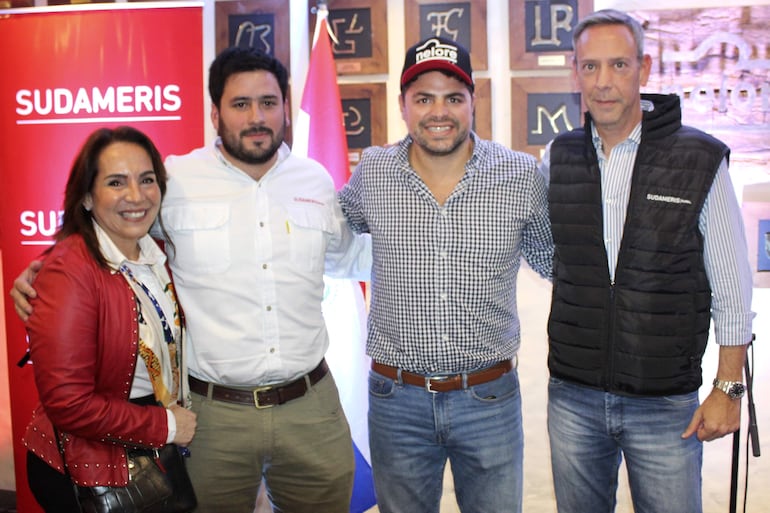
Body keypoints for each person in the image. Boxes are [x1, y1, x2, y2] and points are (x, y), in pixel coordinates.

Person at [12, 47, 371, 513]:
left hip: (310, 405)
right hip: (211, 414)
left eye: (268, 102)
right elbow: (113, 229)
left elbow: (347, 257)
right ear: (215, 113)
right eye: (240, 104)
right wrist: (43, 266)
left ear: (285, 106)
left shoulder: (316, 180)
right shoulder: (176, 179)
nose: (256, 116)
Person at [540, 9, 755, 513]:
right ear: (575, 73)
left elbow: (731, 286)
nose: (604, 82)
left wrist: (727, 386)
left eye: (618, 65)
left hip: (665, 404)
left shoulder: (699, 159)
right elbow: (556, 257)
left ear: (645, 67)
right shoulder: (559, 157)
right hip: (573, 400)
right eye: (590, 67)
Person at [337, 36, 553, 513]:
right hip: (396, 401)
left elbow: (557, 262)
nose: (440, 112)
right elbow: (327, 238)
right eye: (424, 98)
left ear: (473, 101)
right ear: (403, 105)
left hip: (489, 398)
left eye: (454, 98)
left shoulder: (520, 175)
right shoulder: (373, 172)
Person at [21, 126, 197, 512]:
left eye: (147, 179)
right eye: (116, 182)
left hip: (147, 443)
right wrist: (165, 426)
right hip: (93, 466)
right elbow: (68, 402)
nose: (136, 196)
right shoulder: (68, 271)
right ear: (86, 196)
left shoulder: (156, 254)